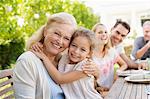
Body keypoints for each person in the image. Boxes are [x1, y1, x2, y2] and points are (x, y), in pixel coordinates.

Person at [13, 12, 78, 99]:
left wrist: (95, 72)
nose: (60, 41)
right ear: (45, 31)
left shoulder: (63, 62)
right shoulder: (27, 61)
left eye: (66, 38)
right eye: (57, 34)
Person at [32, 27, 103, 99]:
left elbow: (60, 79)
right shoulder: (64, 58)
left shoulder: (85, 66)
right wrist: (40, 45)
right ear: (69, 45)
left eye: (83, 49)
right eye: (74, 45)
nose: (76, 51)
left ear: (89, 54)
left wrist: (44, 57)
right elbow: (52, 52)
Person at [92, 23, 127, 96]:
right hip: (96, 93)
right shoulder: (89, 55)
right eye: (100, 32)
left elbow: (124, 64)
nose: (104, 34)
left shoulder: (111, 52)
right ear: (93, 35)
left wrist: (118, 72)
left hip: (110, 91)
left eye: (105, 32)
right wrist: (98, 88)